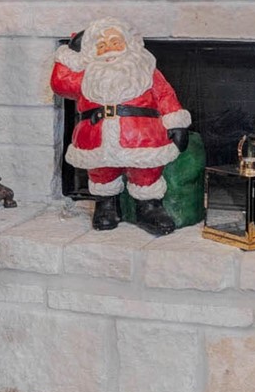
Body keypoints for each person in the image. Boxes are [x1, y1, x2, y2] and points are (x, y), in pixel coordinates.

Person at [50, 17, 190, 234]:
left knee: (146, 170)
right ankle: (106, 205)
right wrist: (70, 52)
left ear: (129, 44)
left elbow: (164, 95)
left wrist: (177, 123)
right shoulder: (87, 75)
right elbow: (59, 83)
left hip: (143, 135)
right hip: (96, 135)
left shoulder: (145, 70)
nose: (109, 50)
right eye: (102, 46)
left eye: (115, 42)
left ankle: (149, 208)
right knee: (101, 171)